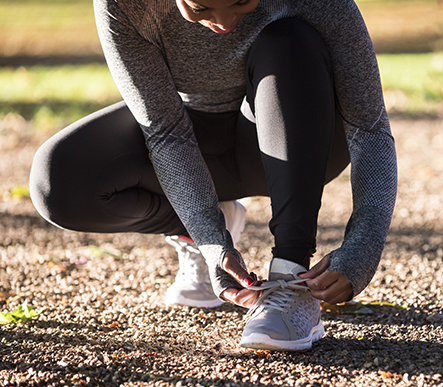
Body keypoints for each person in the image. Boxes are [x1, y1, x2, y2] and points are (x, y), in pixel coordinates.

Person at [29, 0, 397, 351]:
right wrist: (211, 240)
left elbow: (369, 127)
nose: (223, 20)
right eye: (200, 7)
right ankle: (196, 226)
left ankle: (291, 277)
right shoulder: (125, 5)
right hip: (190, 139)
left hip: (299, 142)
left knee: (289, 40)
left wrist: (362, 251)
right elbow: (165, 131)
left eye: (242, 2)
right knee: (58, 182)